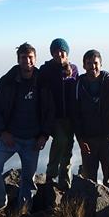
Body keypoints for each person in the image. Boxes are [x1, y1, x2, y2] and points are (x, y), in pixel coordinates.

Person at [0, 42, 54, 211]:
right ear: (18, 60)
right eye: (24, 58)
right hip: (9, 138)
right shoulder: (7, 81)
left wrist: (44, 135)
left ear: (35, 59)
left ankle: (23, 214)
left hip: (32, 140)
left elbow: (50, 111)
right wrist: (2, 132)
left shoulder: (43, 82)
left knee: (28, 180)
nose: (27, 61)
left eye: (30, 57)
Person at [73, 49, 109, 187]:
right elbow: (75, 114)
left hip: (108, 138)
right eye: (89, 63)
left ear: (101, 64)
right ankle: (89, 207)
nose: (92, 66)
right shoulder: (78, 84)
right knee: (89, 180)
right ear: (84, 65)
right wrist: (80, 139)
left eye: (95, 63)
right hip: (88, 139)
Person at [39, 38, 79, 189]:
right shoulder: (46, 70)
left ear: (67, 53)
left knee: (68, 148)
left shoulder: (74, 69)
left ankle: (64, 182)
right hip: (53, 117)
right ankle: (51, 173)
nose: (59, 54)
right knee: (61, 140)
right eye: (55, 51)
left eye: (62, 51)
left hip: (70, 116)